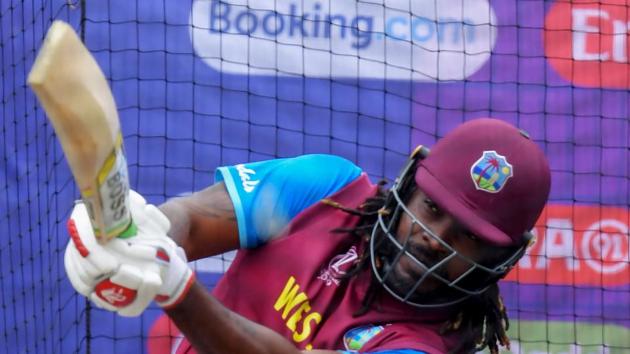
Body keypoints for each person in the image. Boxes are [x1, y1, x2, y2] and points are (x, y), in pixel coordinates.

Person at [64, 118, 551, 354]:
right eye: (430, 208)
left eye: (466, 236)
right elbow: (195, 215)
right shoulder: (330, 187)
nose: (432, 238)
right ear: (408, 185)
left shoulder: (421, 346)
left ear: (501, 258)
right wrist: (143, 233)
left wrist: (176, 290)